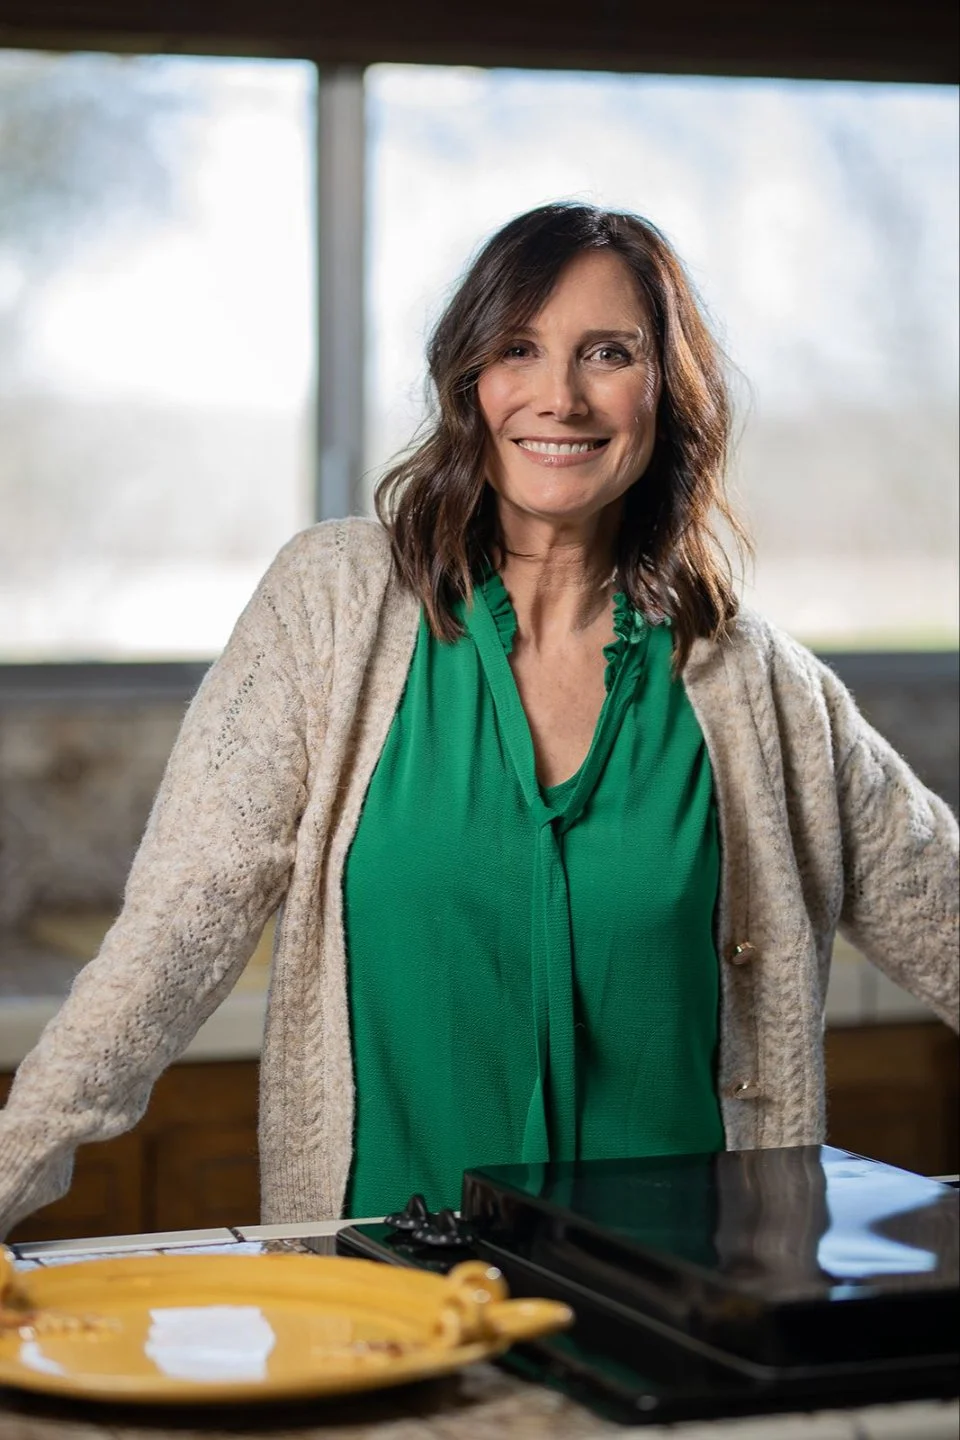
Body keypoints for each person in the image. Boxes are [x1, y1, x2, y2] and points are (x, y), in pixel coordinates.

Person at [0, 203, 957, 1238]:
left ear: (667, 394)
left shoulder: (760, 690)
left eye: (609, 353)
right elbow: (164, 945)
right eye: (519, 349)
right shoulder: (331, 609)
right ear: (469, 382)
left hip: (685, 1321)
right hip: (380, 1321)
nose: (561, 396)